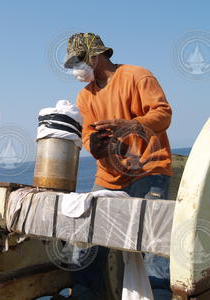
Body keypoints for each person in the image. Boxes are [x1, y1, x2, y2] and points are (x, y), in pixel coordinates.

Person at [64, 33, 172, 300]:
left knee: (150, 243)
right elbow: (87, 135)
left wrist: (130, 125)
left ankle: (157, 292)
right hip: (109, 177)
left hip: (149, 170)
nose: (75, 70)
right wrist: (96, 145)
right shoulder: (84, 97)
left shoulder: (138, 76)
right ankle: (84, 293)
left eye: (77, 62)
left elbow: (163, 113)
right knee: (90, 238)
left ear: (94, 56)